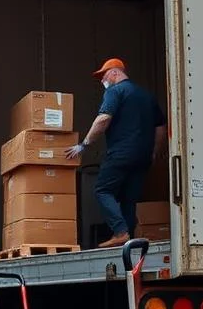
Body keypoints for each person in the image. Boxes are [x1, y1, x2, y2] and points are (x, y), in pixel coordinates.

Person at [66, 58, 166, 248]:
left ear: (115, 73)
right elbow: (160, 127)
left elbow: (103, 119)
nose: (103, 81)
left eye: (103, 76)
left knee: (102, 190)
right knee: (129, 197)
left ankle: (120, 231)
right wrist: (154, 152)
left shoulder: (116, 91)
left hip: (121, 152)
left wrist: (84, 144)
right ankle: (129, 238)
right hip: (143, 156)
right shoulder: (146, 95)